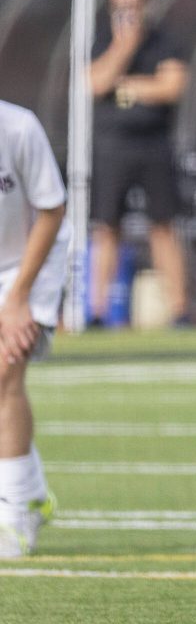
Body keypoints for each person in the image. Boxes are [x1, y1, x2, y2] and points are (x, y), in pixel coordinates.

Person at [89, 0, 192, 327]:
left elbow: (172, 87)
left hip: (155, 144)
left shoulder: (166, 40)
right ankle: (98, 312)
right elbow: (97, 82)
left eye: (133, 0)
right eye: (121, 2)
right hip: (111, 147)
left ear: (145, 1)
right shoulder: (100, 39)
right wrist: (124, 46)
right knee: (106, 228)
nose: (128, 8)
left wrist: (127, 85)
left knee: (163, 226)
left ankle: (179, 310)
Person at [0, 100, 66, 558]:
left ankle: (16, 511)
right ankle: (34, 488)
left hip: (27, 265)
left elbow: (51, 209)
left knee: (4, 370)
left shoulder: (18, 126)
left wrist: (18, 296)